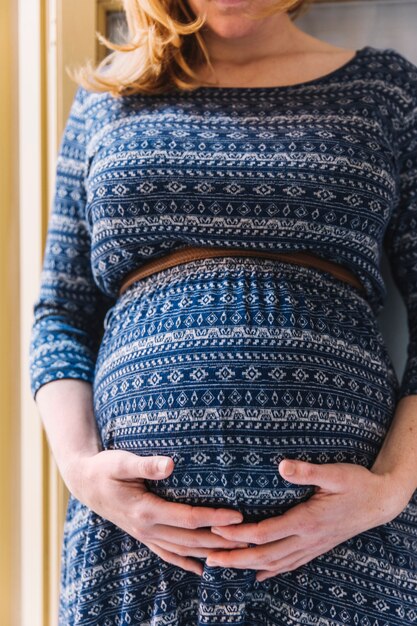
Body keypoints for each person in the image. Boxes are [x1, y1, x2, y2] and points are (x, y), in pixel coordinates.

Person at [29, 0, 417, 624]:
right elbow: (61, 312)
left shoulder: (385, 92)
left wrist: (391, 490)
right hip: (138, 547)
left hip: (345, 546)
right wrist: (82, 472)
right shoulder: (109, 95)